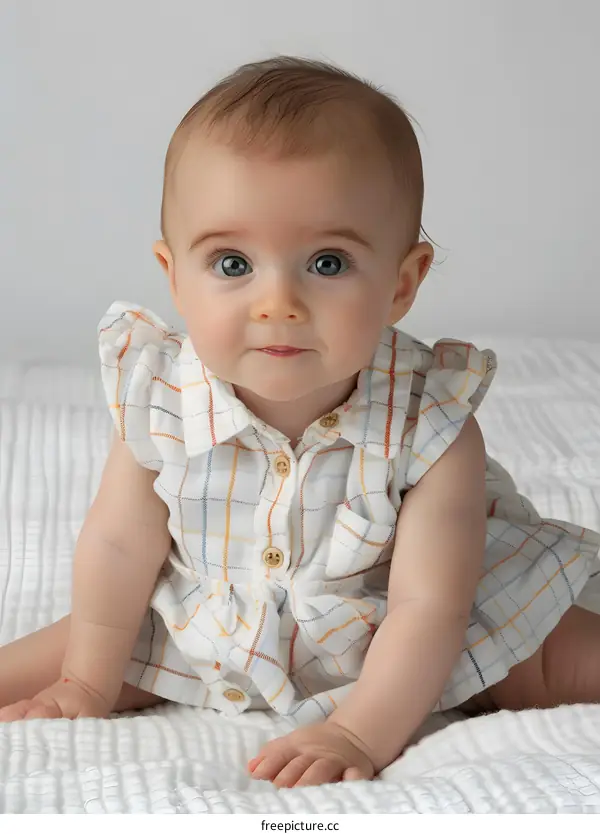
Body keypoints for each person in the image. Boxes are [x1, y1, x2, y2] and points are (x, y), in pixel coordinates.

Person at [1, 57, 599, 789]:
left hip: (395, 635)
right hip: (213, 624)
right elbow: (120, 548)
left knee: (551, 661)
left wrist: (358, 730)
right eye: (230, 263)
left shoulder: (429, 425)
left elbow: (430, 607)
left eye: (326, 262)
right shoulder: (159, 399)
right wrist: (87, 685)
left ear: (402, 282)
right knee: (63, 654)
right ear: (173, 275)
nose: (276, 301)